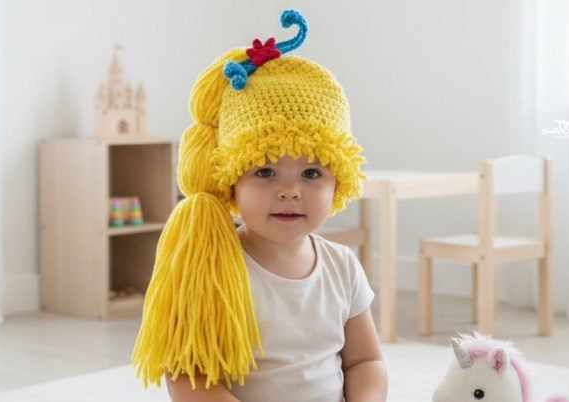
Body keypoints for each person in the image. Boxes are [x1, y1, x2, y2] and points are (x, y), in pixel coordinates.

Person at [132, 9, 387, 402]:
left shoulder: (342, 267)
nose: (289, 191)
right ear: (231, 180)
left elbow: (365, 362)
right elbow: (188, 378)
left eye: (312, 174)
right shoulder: (211, 267)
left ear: (340, 181)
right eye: (265, 173)